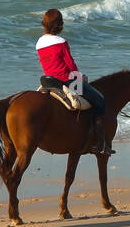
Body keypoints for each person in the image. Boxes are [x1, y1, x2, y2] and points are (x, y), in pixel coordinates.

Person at [37, 8, 112, 156]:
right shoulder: (61, 42)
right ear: (59, 25)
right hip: (67, 81)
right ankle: (99, 144)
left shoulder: (39, 42)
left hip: (50, 81)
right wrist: (81, 77)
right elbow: (71, 66)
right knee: (99, 101)